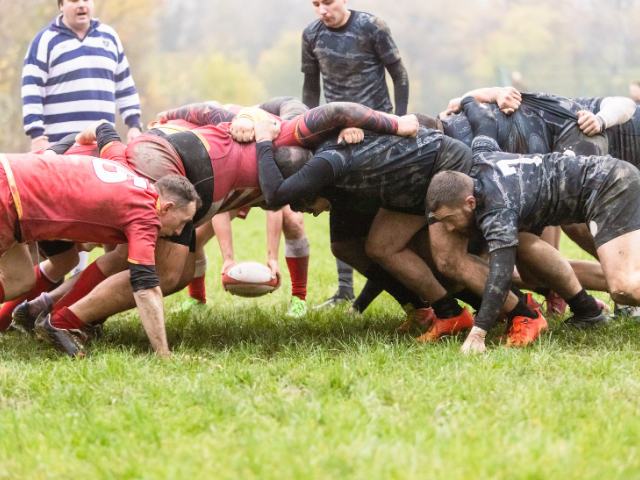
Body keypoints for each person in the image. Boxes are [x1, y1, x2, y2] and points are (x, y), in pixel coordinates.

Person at [16, 101, 419, 350]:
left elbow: (268, 212)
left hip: (179, 172)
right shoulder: (278, 135)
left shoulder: (271, 171)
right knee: (161, 270)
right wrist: (396, 122)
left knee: (149, 261)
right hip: (167, 168)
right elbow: (330, 111)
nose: (309, 210)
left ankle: (45, 308)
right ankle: (63, 320)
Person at [254, 116, 536, 343]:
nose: (311, 213)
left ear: (312, 189)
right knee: (382, 246)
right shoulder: (336, 175)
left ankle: (524, 315)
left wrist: (263, 141)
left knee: (447, 259)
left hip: (440, 165)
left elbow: (277, 194)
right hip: (410, 184)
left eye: (305, 206)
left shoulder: (329, 164)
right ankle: (450, 313)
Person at [427, 96, 640, 353]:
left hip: (609, 185)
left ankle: (596, 306)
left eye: (449, 220)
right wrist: (469, 100)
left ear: (470, 202)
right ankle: (587, 310)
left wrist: (479, 332)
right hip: (608, 179)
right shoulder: (482, 155)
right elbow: (483, 120)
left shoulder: (497, 208)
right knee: (536, 264)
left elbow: (500, 275)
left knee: (624, 287)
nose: (449, 229)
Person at [4, 121, 198, 358]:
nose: (179, 232)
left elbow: (104, 128)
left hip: (11, 174)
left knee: (19, 279)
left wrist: (82, 135)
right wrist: (164, 353)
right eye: (181, 222)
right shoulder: (146, 216)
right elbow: (146, 289)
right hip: (10, 200)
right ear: (166, 208)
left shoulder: (124, 168)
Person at [21, 0, 143, 276]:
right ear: (61, 5)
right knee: (66, 226)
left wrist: (134, 124)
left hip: (99, 150)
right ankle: (53, 296)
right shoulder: (45, 41)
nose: (82, 4)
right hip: (62, 151)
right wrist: (37, 136)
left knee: (110, 218)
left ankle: (95, 294)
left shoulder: (109, 37)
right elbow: (31, 90)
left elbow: (124, 84)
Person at [302, 0, 410, 307]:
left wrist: (397, 123)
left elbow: (399, 76)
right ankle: (344, 291)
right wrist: (311, 132)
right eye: (316, 4)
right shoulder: (311, 34)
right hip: (337, 133)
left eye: (329, 2)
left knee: (378, 221)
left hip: (379, 129)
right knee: (342, 207)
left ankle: (379, 296)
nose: (323, 9)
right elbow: (311, 89)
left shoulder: (371, 26)